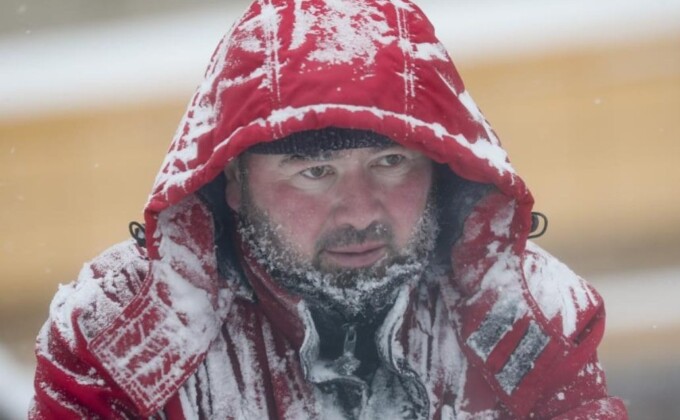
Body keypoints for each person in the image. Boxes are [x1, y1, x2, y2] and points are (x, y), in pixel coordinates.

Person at [30, 0, 627, 418]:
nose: (360, 209)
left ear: (441, 166)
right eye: (314, 173)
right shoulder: (115, 335)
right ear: (231, 182)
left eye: (391, 162)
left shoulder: (528, 313)